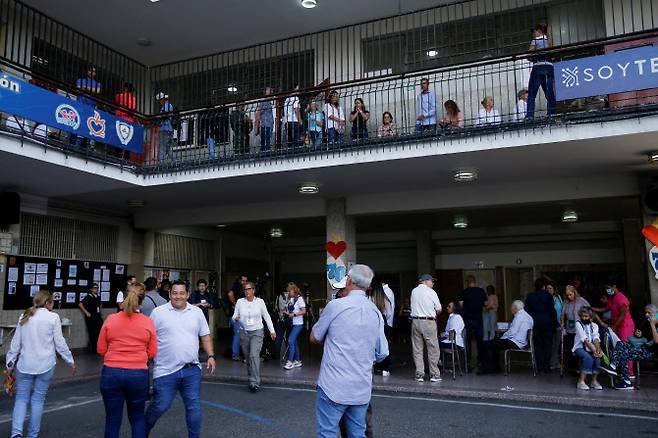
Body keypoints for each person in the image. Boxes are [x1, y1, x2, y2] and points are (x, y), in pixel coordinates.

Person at [311, 264, 388, 438]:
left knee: (327, 433)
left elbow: (315, 337)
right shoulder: (375, 312)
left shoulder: (335, 306)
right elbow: (382, 352)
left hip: (333, 385)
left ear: (348, 281)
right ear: (367, 286)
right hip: (361, 387)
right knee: (357, 433)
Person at [145, 280, 216, 438]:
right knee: (160, 406)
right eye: (175, 293)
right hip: (165, 371)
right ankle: (142, 431)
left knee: (193, 407)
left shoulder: (196, 312)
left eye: (182, 293)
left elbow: (205, 335)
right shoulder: (158, 313)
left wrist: (211, 355)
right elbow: (148, 338)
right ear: (169, 294)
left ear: (188, 294)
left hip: (191, 370)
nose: (178, 296)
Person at [6, 291, 76, 438]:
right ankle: (32, 435)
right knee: (38, 400)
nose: (53, 304)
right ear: (47, 303)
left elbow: (15, 344)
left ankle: (16, 433)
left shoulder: (24, 316)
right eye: (52, 302)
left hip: (24, 365)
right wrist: (70, 361)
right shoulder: (53, 317)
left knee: (21, 399)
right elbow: (60, 343)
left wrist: (9, 365)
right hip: (45, 365)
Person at [97, 283, 157, 438]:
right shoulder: (147, 322)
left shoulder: (111, 319)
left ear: (124, 298)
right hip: (137, 374)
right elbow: (152, 352)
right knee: (137, 418)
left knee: (112, 420)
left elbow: (101, 349)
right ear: (142, 301)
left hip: (111, 373)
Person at [600, 304, 658, 390]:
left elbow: (656, 341)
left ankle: (626, 381)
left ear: (655, 314)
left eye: (649, 313)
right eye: (646, 313)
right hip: (641, 347)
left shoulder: (653, 324)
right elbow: (643, 338)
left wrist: (653, 325)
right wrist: (639, 335)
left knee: (624, 353)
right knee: (620, 344)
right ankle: (613, 366)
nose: (647, 315)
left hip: (651, 352)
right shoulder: (646, 323)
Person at [232, 281, 276, 391]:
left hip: (257, 331)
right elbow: (234, 316)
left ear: (253, 290)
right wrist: (236, 318)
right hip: (244, 332)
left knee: (253, 355)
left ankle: (254, 382)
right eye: (245, 289)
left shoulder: (260, 302)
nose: (247, 291)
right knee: (248, 358)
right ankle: (251, 377)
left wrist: (272, 330)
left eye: (249, 289)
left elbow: (266, 316)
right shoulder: (240, 302)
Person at [478, 300, 534, 374]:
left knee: (486, 344)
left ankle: (487, 369)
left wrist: (502, 337)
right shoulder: (528, 316)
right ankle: (494, 367)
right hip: (522, 342)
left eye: (511, 308)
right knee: (494, 344)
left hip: (516, 342)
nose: (511, 310)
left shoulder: (519, 316)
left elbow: (512, 332)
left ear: (515, 308)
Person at [410, 273, 442, 382]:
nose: (433, 283)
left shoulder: (414, 291)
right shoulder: (431, 292)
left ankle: (419, 374)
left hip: (415, 321)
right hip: (428, 322)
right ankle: (434, 374)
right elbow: (439, 309)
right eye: (432, 281)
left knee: (417, 349)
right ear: (425, 281)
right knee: (433, 348)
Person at [525, 278, 557, 373]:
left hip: (535, 323)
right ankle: (546, 367)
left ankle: (539, 367)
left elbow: (527, 310)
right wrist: (555, 323)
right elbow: (552, 311)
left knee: (538, 345)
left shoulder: (530, 296)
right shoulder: (548, 296)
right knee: (547, 345)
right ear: (543, 286)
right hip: (547, 323)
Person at [526, 24, 556, 119]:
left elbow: (529, 54)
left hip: (538, 67)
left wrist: (531, 58)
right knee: (549, 92)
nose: (533, 34)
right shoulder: (548, 40)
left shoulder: (535, 40)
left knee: (531, 94)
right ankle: (551, 114)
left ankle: (530, 116)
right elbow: (552, 52)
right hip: (549, 67)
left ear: (538, 31)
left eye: (534, 32)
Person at [458, 275, 487, 370]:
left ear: (467, 282)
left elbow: (461, 305)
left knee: (468, 342)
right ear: (475, 281)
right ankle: (481, 361)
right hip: (478, 319)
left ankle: (468, 362)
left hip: (468, 319)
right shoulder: (481, 291)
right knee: (480, 341)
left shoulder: (464, 292)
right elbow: (485, 304)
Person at [70, 65, 102, 149]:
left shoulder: (98, 84)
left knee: (88, 129)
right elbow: (78, 89)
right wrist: (91, 90)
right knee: (77, 125)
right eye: (91, 70)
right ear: (87, 71)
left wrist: (85, 89)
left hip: (91, 108)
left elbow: (97, 92)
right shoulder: (80, 80)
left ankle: (84, 148)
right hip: (80, 106)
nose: (92, 72)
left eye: (94, 71)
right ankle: (74, 146)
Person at [572, 307, 603, 390]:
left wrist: (598, 350)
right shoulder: (578, 324)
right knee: (588, 358)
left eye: (586, 316)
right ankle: (580, 381)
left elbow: (596, 339)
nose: (584, 318)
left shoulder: (595, 326)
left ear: (591, 317)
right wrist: (594, 351)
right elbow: (584, 339)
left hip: (591, 347)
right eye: (582, 316)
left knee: (598, 359)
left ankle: (594, 381)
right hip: (579, 347)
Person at [369, 281, 393, 377]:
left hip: (372, 320)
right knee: (384, 344)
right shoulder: (386, 299)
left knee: (373, 344)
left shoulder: (370, 298)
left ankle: (375, 366)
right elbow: (389, 313)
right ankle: (385, 368)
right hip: (383, 321)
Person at [283, 282, 306, 370]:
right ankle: (297, 360)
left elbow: (304, 311)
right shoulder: (291, 299)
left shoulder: (299, 299)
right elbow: (291, 311)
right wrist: (287, 313)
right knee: (294, 342)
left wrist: (294, 315)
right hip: (293, 323)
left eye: (289, 291)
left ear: (294, 290)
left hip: (298, 324)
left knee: (290, 340)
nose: (288, 293)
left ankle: (290, 361)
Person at [226, 275, 248, 360]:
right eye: (243, 280)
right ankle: (235, 354)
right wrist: (235, 305)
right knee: (238, 334)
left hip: (241, 317)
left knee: (242, 334)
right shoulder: (236, 287)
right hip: (235, 317)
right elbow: (230, 293)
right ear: (239, 280)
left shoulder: (243, 289)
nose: (244, 282)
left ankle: (240, 354)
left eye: (246, 281)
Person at [79, 283, 104, 353]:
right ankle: (93, 348)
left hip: (97, 315)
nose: (96, 289)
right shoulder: (88, 297)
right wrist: (86, 312)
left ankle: (99, 346)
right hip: (91, 316)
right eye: (95, 288)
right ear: (91, 289)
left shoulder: (98, 296)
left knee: (100, 330)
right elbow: (80, 304)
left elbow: (100, 304)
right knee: (92, 332)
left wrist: (100, 311)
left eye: (97, 288)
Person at [546, 281, 563, 370]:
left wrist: (562, 322)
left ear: (554, 290)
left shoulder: (559, 298)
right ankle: (552, 363)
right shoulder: (545, 299)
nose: (548, 290)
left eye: (550, 288)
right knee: (552, 344)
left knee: (557, 344)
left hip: (559, 325)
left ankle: (556, 362)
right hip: (550, 325)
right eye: (547, 288)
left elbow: (562, 310)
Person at [255, 87, 275, 152]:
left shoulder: (268, 103)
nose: (272, 94)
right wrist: (257, 127)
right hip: (265, 126)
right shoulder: (264, 102)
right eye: (270, 92)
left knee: (266, 144)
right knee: (266, 145)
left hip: (268, 126)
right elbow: (258, 113)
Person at [156, 92, 175, 162]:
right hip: (169, 130)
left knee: (162, 147)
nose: (160, 103)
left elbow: (164, 116)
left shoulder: (166, 106)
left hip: (164, 129)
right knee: (168, 148)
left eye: (159, 101)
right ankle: (175, 162)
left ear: (162, 99)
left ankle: (161, 164)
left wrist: (158, 117)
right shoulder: (169, 106)